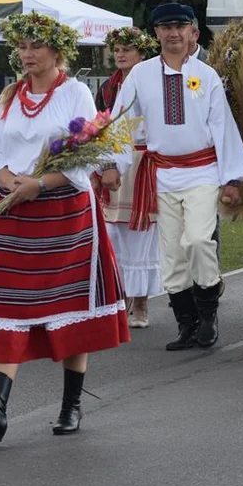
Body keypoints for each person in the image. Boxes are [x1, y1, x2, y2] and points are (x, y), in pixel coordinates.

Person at [0, 11, 129, 442]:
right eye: (21, 47)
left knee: (68, 310)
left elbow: (87, 153)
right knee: (7, 309)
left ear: (57, 51)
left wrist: (40, 183)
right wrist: (6, 185)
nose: (27, 54)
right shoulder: (10, 96)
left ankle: (70, 405)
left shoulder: (74, 93)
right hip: (14, 213)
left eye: (35, 46)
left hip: (64, 215)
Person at [103, 3, 243, 351]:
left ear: (192, 32)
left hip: (202, 172)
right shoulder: (140, 75)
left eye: (180, 26)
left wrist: (232, 179)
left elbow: (223, 128)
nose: (173, 33)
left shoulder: (207, 76)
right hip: (162, 175)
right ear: (156, 34)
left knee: (198, 241)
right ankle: (187, 324)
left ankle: (208, 316)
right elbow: (121, 119)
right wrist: (111, 163)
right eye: (165, 27)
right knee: (171, 254)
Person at [95, 26, 162, 329]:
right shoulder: (107, 87)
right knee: (113, 231)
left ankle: (142, 303)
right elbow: (99, 122)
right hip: (115, 157)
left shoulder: (154, 80)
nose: (120, 55)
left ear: (141, 53)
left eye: (126, 50)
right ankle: (120, 297)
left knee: (143, 230)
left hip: (145, 159)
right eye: (117, 50)